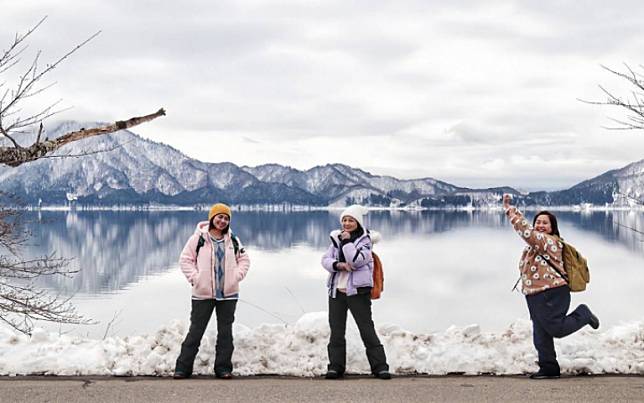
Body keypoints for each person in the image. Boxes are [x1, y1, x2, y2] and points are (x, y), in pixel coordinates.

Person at [502, 194, 599, 379]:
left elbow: (525, 231)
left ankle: (583, 314)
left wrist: (510, 209)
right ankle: (549, 368)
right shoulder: (535, 245)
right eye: (538, 222)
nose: (540, 225)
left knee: (556, 329)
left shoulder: (550, 242)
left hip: (552, 292)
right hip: (535, 294)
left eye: (545, 223)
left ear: (552, 228)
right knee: (540, 333)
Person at [173, 203, 250, 379]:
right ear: (212, 217)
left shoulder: (234, 240)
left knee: (225, 333)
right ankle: (182, 368)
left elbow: (244, 259)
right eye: (220, 217)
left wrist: (237, 276)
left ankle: (223, 368)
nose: (222, 221)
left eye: (226, 218)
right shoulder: (198, 239)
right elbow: (185, 260)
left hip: (228, 295)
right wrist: (195, 278)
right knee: (196, 331)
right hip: (202, 294)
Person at [321, 204, 391, 380]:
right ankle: (335, 367)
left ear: (357, 223)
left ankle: (380, 367)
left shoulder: (366, 242)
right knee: (336, 331)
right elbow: (325, 260)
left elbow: (356, 260)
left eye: (350, 220)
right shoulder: (335, 240)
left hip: (358, 292)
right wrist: (338, 265)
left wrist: (346, 242)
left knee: (366, 329)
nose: (346, 223)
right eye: (344, 220)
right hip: (337, 292)